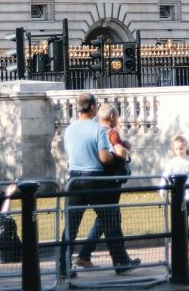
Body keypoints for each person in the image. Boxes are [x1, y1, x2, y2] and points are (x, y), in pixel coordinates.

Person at [59, 93, 138, 276]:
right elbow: (104, 156)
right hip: (95, 179)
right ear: (94, 108)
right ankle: (120, 260)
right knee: (110, 220)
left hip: (74, 180)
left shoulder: (69, 130)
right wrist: (117, 157)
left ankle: (63, 266)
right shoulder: (98, 129)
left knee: (71, 224)